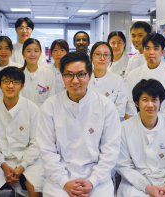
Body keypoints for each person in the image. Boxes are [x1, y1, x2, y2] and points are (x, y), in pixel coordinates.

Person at [36, 52, 121, 197]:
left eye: (81, 74)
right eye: (69, 75)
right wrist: (64, 182)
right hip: (59, 179)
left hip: (96, 180)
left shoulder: (106, 106)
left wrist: (93, 181)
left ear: (90, 75)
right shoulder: (49, 106)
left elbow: (110, 150)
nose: (75, 81)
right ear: (62, 76)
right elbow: (47, 150)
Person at [115, 79, 165, 197]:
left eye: (154, 100)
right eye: (145, 100)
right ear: (136, 103)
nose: (150, 105)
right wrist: (147, 188)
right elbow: (123, 166)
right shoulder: (124, 129)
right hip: (136, 184)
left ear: (160, 103)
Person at [0, 67, 44, 197]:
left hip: (27, 159)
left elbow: (36, 143)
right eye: (6, 81)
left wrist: (22, 166)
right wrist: (3, 165)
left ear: (22, 86)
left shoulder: (32, 109)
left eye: (15, 82)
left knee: (36, 191)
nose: (10, 86)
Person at [125, 33, 165, 119]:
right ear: (144, 51)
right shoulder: (133, 74)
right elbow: (129, 100)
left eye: (156, 48)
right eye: (147, 48)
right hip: (138, 123)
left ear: (162, 52)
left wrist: (158, 121)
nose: (151, 52)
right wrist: (139, 120)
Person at [88, 41, 127, 121]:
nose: (102, 58)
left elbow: (120, 110)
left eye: (106, 55)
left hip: (110, 126)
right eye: (98, 54)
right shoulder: (83, 79)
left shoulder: (118, 80)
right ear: (91, 57)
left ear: (111, 58)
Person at [20, 38, 55, 107]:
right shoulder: (17, 74)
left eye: (36, 51)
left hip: (42, 115)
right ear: (23, 53)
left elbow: (51, 99)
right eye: (28, 51)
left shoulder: (48, 74)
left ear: (40, 53)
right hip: (22, 115)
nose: (33, 54)